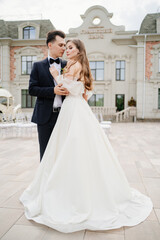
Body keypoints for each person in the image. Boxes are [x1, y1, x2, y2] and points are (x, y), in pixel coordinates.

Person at [20, 39, 153, 233]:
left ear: (79, 50)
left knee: (76, 147)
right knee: (62, 149)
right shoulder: (71, 64)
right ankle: (56, 186)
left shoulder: (74, 65)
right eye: (65, 47)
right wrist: (75, 86)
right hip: (70, 109)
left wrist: (57, 76)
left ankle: (76, 193)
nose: (66, 50)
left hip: (73, 110)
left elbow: (69, 87)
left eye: (70, 47)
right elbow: (84, 88)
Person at [29, 30, 69, 161]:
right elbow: (32, 89)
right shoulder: (38, 66)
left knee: (63, 153)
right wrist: (53, 91)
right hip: (44, 118)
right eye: (60, 45)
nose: (64, 48)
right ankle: (45, 181)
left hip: (63, 116)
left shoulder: (67, 65)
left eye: (65, 45)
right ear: (50, 45)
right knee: (45, 154)